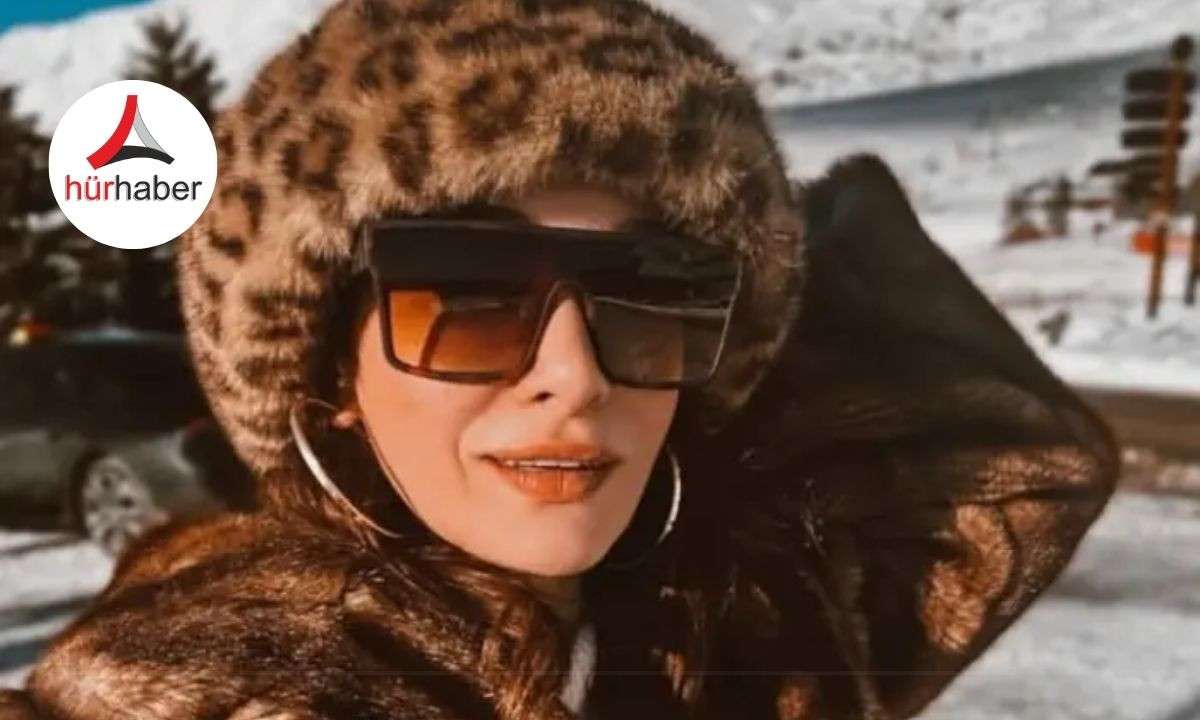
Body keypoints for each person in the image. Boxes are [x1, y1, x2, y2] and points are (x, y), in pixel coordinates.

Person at [0, 1, 1119, 718]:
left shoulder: (748, 626)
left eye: (659, 293)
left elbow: (1020, 458)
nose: (577, 376)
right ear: (327, 373)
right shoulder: (208, 680)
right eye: (470, 295)